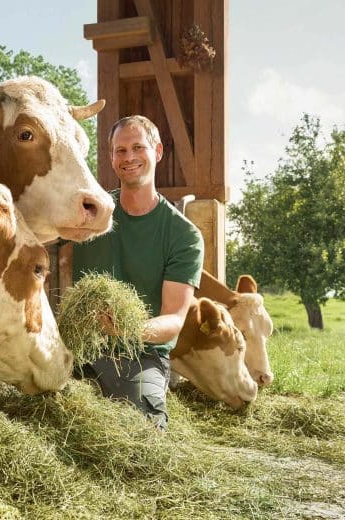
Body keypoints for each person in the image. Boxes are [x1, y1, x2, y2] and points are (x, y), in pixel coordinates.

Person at [72, 115, 203, 431]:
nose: (128, 157)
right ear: (112, 158)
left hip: (140, 357)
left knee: (141, 433)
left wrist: (125, 328)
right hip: (78, 348)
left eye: (137, 147)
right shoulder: (91, 214)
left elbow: (173, 320)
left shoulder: (183, 235)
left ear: (157, 152)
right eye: (120, 150)